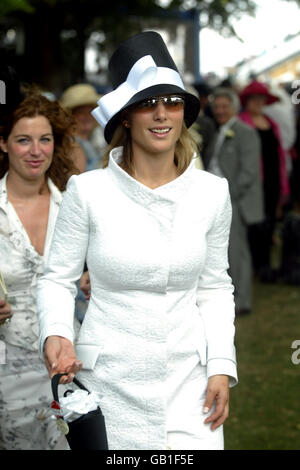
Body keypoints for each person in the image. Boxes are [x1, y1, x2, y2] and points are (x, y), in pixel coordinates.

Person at [37, 31, 238, 451]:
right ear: (125, 116)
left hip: (190, 387)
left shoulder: (211, 192)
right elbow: (57, 279)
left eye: (172, 102)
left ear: (184, 112)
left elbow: (215, 286)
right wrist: (57, 331)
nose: (162, 114)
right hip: (109, 387)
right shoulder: (87, 191)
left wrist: (220, 364)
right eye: (147, 104)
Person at [0, 71, 80, 450]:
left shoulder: (76, 205)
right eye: (23, 140)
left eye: (45, 139)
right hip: (7, 376)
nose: (36, 150)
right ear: (3, 144)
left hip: (71, 366)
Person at [203, 87, 264, 315]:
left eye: (224, 107)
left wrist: (229, 197)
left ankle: (243, 301)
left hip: (233, 200)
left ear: (234, 108)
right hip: (216, 199)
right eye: (216, 107)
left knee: (237, 251)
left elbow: (248, 172)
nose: (219, 111)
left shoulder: (245, 132)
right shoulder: (218, 131)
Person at [239, 80, 290, 282]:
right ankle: (254, 265)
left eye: (261, 99)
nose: (258, 102)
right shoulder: (241, 121)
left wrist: (283, 186)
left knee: (269, 222)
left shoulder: (272, 122)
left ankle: (265, 265)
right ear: (248, 101)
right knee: (254, 225)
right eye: (254, 99)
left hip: (272, 180)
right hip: (252, 183)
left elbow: (280, 156)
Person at [60, 83, 106, 170]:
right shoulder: (72, 146)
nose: (87, 117)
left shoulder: (89, 141)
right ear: (69, 116)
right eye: (81, 112)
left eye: (91, 112)